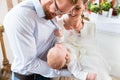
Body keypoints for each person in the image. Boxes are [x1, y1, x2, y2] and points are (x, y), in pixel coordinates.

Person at [3, 0, 82, 80]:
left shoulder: (49, 11)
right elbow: (29, 63)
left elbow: (50, 41)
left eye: (62, 13)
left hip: (46, 74)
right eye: (57, 9)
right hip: (29, 77)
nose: (58, 16)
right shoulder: (19, 17)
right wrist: (71, 72)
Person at [47, 27, 112, 80]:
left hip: (77, 48)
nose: (57, 45)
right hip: (80, 59)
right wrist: (87, 76)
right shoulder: (71, 64)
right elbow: (77, 73)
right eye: (59, 47)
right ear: (67, 56)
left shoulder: (58, 47)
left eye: (54, 47)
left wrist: (59, 36)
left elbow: (60, 41)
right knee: (93, 66)